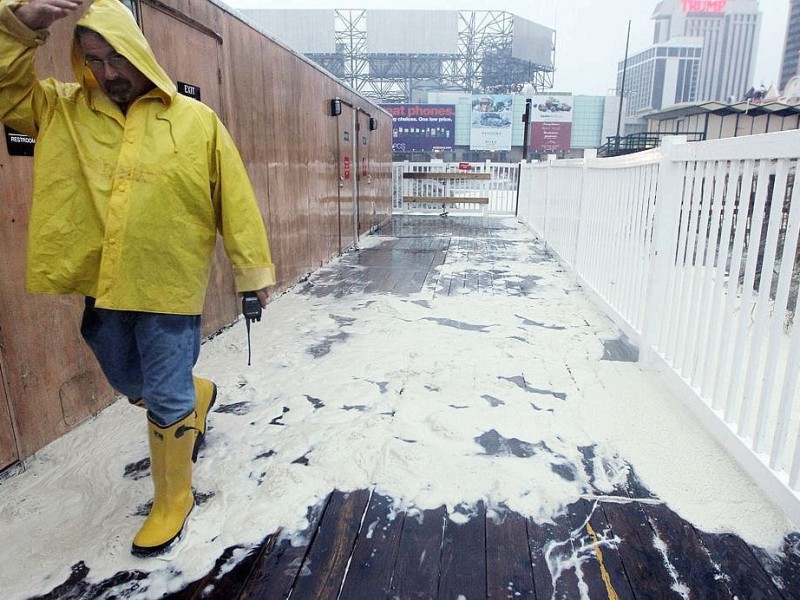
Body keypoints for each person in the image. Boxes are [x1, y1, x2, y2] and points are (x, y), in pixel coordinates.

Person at [0, 0, 276, 557]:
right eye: (95, 60)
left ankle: (173, 499)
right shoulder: (61, 109)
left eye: (116, 58)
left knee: (164, 391)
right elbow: (8, 92)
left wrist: (251, 273)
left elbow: (235, 199)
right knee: (130, 381)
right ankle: (193, 398)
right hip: (101, 283)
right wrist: (20, 24)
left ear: (140, 53)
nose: (107, 72)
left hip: (169, 284)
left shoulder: (195, 121)